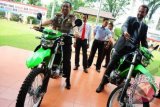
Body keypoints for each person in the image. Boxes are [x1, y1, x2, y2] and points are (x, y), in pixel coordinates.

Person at [96, 5, 149, 93]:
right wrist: (125, 32)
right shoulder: (130, 19)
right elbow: (124, 26)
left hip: (132, 51)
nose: (140, 13)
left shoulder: (144, 26)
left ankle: (121, 89)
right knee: (111, 64)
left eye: (142, 12)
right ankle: (102, 83)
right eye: (139, 11)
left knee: (128, 69)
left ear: (146, 13)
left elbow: (143, 40)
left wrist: (146, 50)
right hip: (121, 47)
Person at [34, 1, 76, 89]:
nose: (65, 8)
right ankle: (47, 67)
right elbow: (50, 21)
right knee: (46, 48)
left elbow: (74, 25)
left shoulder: (72, 17)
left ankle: (67, 79)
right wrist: (40, 25)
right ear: (61, 7)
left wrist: (76, 32)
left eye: (67, 7)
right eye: (63, 6)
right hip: (55, 38)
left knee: (66, 59)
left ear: (70, 8)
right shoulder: (58, 15)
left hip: (66, 38)